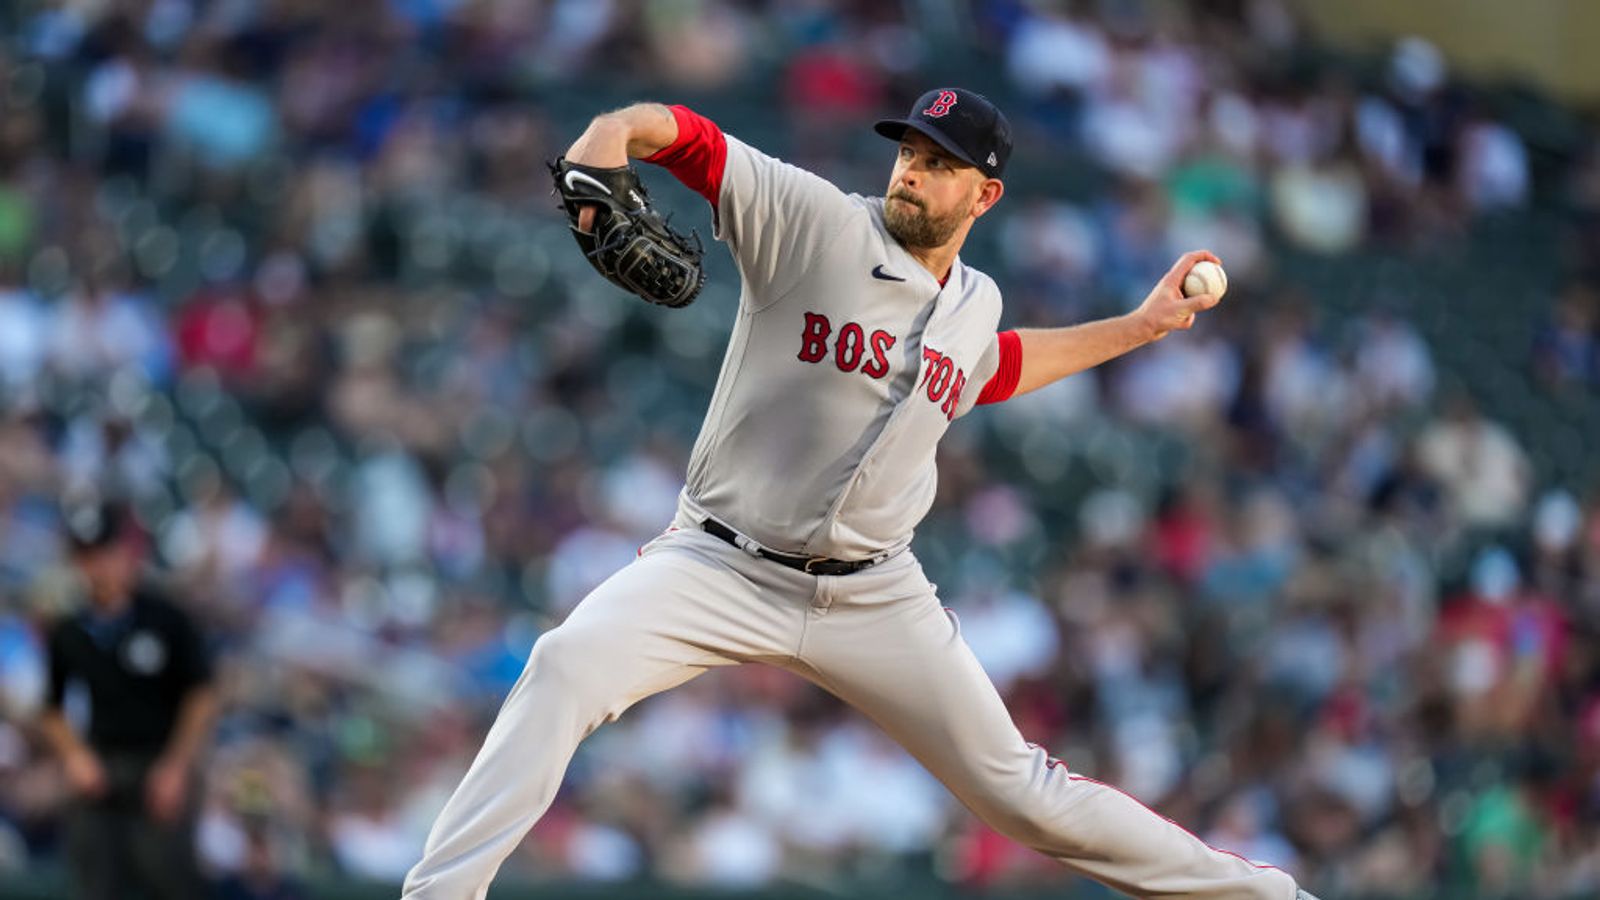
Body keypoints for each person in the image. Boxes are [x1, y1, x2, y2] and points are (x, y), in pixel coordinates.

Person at [404, 88, 1319, 899]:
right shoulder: (817, 223)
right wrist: (604, 139)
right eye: (910, 154)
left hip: (873, 592)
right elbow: (676, 133)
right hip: (719, 562)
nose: (913, 174)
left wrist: (1138, 328)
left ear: (985, 196)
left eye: (940, 165)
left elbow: (994, 369)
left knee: (1023, 795)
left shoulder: (978, 305)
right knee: (565, 665)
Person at [38, 499, 217, 900]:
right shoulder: (70, 629)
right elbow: (51, 707)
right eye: (86, 555)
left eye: (104, 552)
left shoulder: (165, 618)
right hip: (103, 766)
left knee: (168, 876)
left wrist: (177, 764)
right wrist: (75, 756)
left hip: (160, 762)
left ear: (125, 551)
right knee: (96, 879)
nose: (97, 565)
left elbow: (202, 695)